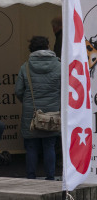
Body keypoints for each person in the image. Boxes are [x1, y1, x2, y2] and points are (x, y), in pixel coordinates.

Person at [15, 36, 61, 180]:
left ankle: (31, 178)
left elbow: (18, 91)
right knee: (49, 145)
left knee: (31, 147)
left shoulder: (26, 67)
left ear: (31, 48)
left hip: (32, 112)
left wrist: (27, 102)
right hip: (53, 112)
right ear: (48, 46)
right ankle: (50, 178)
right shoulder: (59, 65)